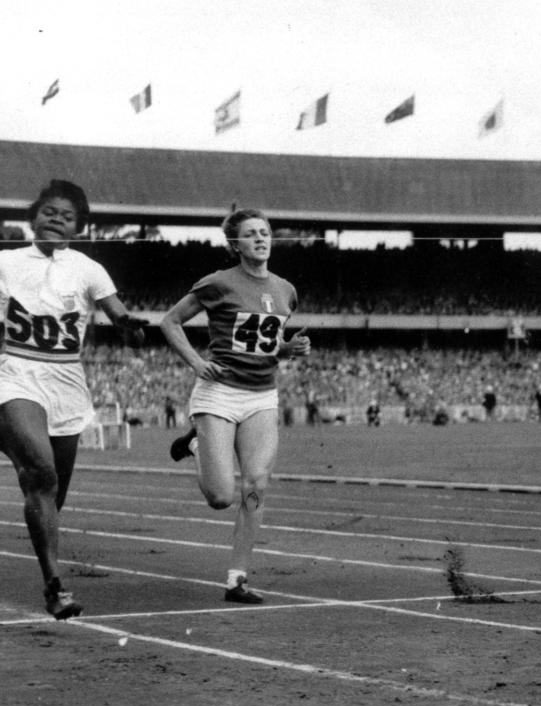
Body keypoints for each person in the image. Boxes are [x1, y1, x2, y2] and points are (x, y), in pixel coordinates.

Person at [0, 179, 147, 618]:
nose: (57, 219)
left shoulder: (88, 268)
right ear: (34, 217)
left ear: (77, 226)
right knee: (41, 473)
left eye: (67, 216)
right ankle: (55, 586)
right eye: (49, 211)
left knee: (51, 493)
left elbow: (118, 312)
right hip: (16, 375)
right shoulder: (6, 263)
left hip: (66, 382)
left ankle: (45, 551)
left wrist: (129, 328)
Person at [160, 208, 311, 603]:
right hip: (220, 394)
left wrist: (287, 348)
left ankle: (237, 578)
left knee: (256, 484)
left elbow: (261, 341)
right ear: (235, 244)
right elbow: (170, 322)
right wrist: (196, 361)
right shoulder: (218, 283)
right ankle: (195, 443)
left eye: (265, 232)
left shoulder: (286, 290)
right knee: (220, 497)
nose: (260, 239)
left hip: (262, 395)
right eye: (250, 234)